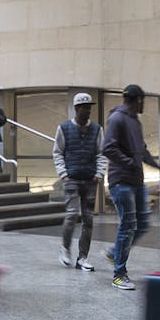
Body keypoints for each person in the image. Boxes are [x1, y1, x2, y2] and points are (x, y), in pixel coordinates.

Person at [102, 84, 160, 290]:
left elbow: (141, 149)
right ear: (137, 100)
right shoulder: (117, 118)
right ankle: (119, 274)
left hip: (136, 181)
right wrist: (129, 162)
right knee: (128, 225)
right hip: (121, 181)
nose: (144, 104)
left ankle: (114, 253)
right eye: (143, 100)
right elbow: (107, 148)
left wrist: (157, 165)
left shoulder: (135, 121)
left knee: (142, 223)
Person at [53, 92, 104, 271]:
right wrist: (63, 174)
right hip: (72, 179)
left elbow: (101, 153)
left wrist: (99, 174)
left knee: (88, 219)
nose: (88, 110)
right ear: (76, 108)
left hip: (90, 180)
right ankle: (65, 248)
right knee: (72, 215)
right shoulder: (64, 128)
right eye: (85, 107)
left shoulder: (97, 129)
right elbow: (57, 151)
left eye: (89, 107)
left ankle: (82, 257)